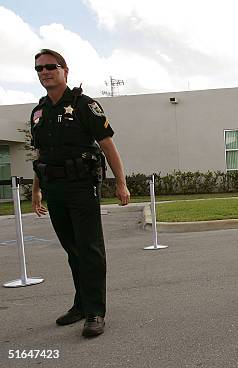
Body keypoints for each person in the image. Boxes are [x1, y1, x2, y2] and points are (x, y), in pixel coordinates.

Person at [30, 49, 130, 337]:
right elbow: (40, 154)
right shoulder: (39, 112)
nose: (45, 72)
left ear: (65, 70)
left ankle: (95, 311)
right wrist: (36, 191)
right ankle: (80, 304)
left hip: (82, 188)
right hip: (54, 189)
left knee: (89, 250)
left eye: (51, 66)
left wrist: (121, 183)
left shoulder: (84, 105)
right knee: (72, 250)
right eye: (39, 69)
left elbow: (108, 146)